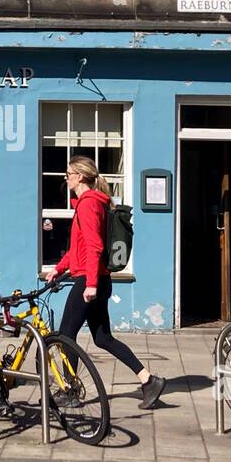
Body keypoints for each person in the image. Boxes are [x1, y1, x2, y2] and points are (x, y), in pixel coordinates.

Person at [50, 156, 166, 410]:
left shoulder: (89, 204)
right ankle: (149, 380)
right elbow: (78, 247)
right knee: (103, 338)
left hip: (89, 282)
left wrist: (90, 283)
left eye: (68, 173)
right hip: (99, 280)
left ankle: (69, 390)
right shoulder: (91, 203)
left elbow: (95, 246)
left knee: (65, 336)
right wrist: (59, 269)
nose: (66, 177)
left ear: (80, 176)